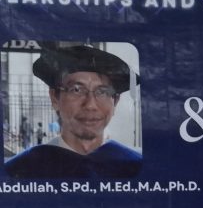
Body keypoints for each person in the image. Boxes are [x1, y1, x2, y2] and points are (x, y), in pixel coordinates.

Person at [4, 45, 141, 179]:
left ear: (115, 101)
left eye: (102, 92)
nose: (90, 105)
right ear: (55, 98)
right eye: (76, 90)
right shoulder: (19, 170)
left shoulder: (135, 167)